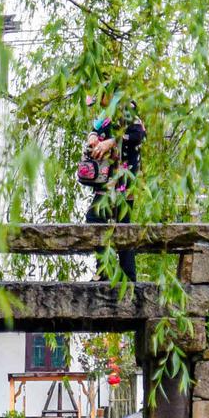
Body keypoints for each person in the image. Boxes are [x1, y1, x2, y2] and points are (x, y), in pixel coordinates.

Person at [82, 95, 145, 282]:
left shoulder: (126, 107)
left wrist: (110, 142)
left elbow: (138, 133)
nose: (99, 103)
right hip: (108, 179)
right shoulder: (106, 113)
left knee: (104, 220)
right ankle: (116, 273)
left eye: (99, 98)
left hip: (123, 178)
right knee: (115, 223)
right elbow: (95, 129)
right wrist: (93, 137)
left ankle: (111, 272)